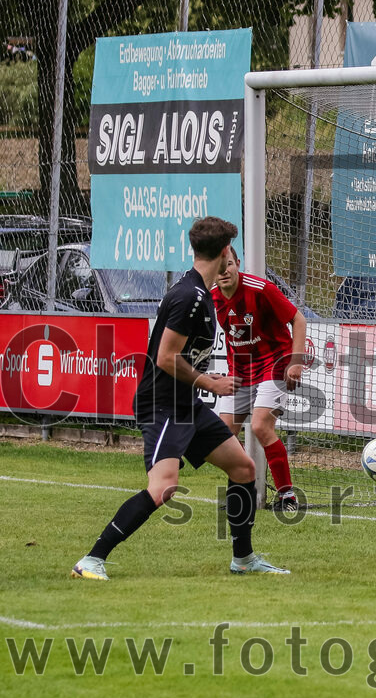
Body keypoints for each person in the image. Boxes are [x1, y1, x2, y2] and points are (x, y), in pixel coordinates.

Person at [71, 217, 290, 580]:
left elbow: (179, 355)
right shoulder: (191, 296)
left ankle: (244, 558)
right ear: (224, 253)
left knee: (243, 468)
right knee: (164, 487)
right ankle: (92, 559)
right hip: (163, 405)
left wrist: (207, 378)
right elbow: (166, 357)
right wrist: (210, 382)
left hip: (185, 404)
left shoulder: (198, 292)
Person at [212, 246, 306, 511]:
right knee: (224, 435)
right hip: (240, 371)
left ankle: (288, 497)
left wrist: (296, 361)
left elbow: (298, 320)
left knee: (260, 427)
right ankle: (243, 492)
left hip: (273, 364)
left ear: (237, 263)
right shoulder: (212, 297)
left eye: (228, 264)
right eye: (219, 268)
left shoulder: (261, 289)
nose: (224, 271)